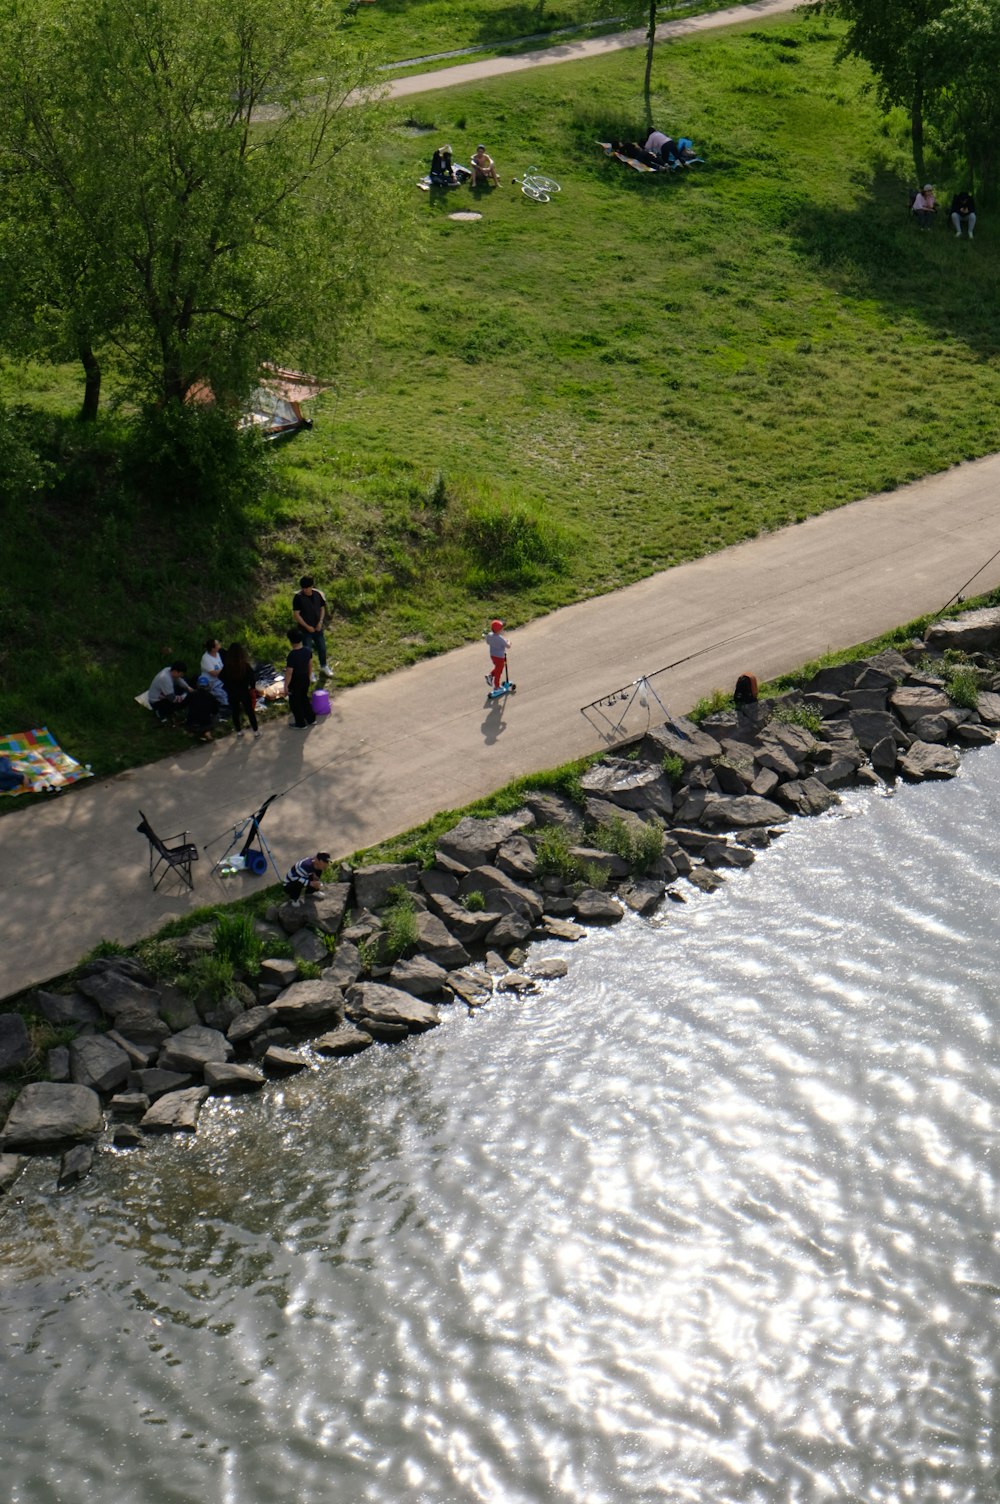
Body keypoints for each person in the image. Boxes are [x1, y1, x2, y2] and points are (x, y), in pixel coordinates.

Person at [292, 575, 331, 678]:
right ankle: (309, 672)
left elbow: (322, 609)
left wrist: (320, 622)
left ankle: (324, 666)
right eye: (303, 588)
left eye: (307, 588)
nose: (305, 590)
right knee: (307, 652)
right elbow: (296, 615)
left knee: (322, 648)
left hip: (318, 627)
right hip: (305, 630)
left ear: (311, 586)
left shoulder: (317, 594)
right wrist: (307, 626)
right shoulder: (298, 598)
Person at [221, 642, 260, 739]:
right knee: (250, 711)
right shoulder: (245, 666)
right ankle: (255, 731)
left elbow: (221, 676)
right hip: (244, 692)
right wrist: (252, 687)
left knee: (235, 711)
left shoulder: (227, 666)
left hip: (232, 692)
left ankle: (239, 731)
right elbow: (252, 678)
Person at [284, 627, 316, 729]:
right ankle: (311, 719)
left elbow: (289, 672)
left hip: (295, 681)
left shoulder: (292, 655)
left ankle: (300, 724)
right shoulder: (307, 650)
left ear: (291, 641)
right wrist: (309, 676)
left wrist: (286, 686)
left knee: (294, 702)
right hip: (305, 678)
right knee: (304, 698)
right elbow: (310, 665)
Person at [185, 675, 218, 741]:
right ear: (208, 685)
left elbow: (183, 705)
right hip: (206, 725)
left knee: (189, 712)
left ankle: (192, 732)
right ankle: (207, 733)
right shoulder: (211, 696)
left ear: (197, 685)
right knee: (216, 716)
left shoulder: (190, 695)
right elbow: (215, 711)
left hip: (192, 724)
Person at [200, 637, 229, 707]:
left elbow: (221, 667)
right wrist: (226, 668)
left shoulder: (217, 654)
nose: (219, 645)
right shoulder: (206, 658)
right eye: (218, 644)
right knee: (224, 696)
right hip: (212, 682)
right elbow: (214, 673)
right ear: (213, 649)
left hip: (220, 679)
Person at [484, 618, 510, 691]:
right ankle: (497, 687)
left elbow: (488, 642)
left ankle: (490, 675)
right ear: (499, 630)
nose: (503, 630)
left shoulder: (489, 635)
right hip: (500, 657)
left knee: (498, 668)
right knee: (499, 671)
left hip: (493, 655)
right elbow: (508, 646)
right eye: (502, 629)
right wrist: (509, 642)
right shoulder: (500, 638)